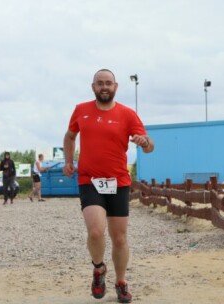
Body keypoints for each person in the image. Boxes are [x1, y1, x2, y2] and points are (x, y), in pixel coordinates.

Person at [63, 69, 154, 303]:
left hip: (118, 182)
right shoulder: (81, 110)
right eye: (100, 83)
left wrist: (144, 142)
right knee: (95, 231)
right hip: (89, 180)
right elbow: (70, 136)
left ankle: (121, 281)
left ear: (116, 87)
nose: (104, 87)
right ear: (93, 87)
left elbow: (149, 145)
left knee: (120, 238)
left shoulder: (127, 114)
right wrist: (68, 161)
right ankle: (98, 268)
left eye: (108, 83)